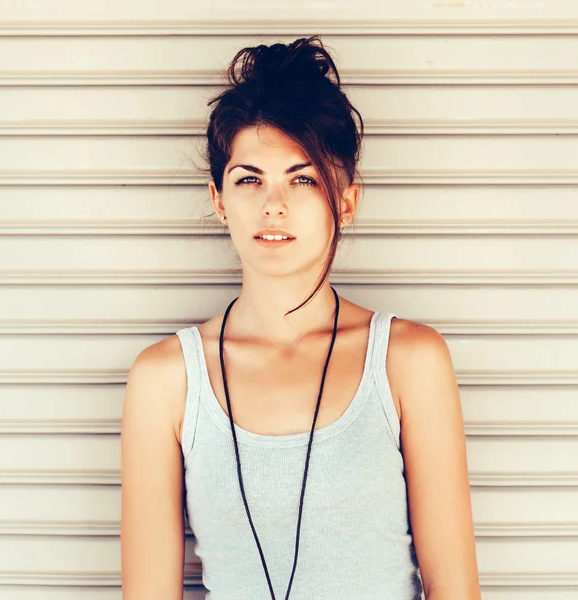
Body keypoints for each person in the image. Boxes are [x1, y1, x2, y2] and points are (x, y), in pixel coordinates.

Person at [120, 35, 481, 600]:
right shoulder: (166, 379)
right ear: (218, 198)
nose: (274, 204)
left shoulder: (408, 362)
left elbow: (454, 590)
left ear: (345, 200)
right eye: (249, 179)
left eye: (303, 177)